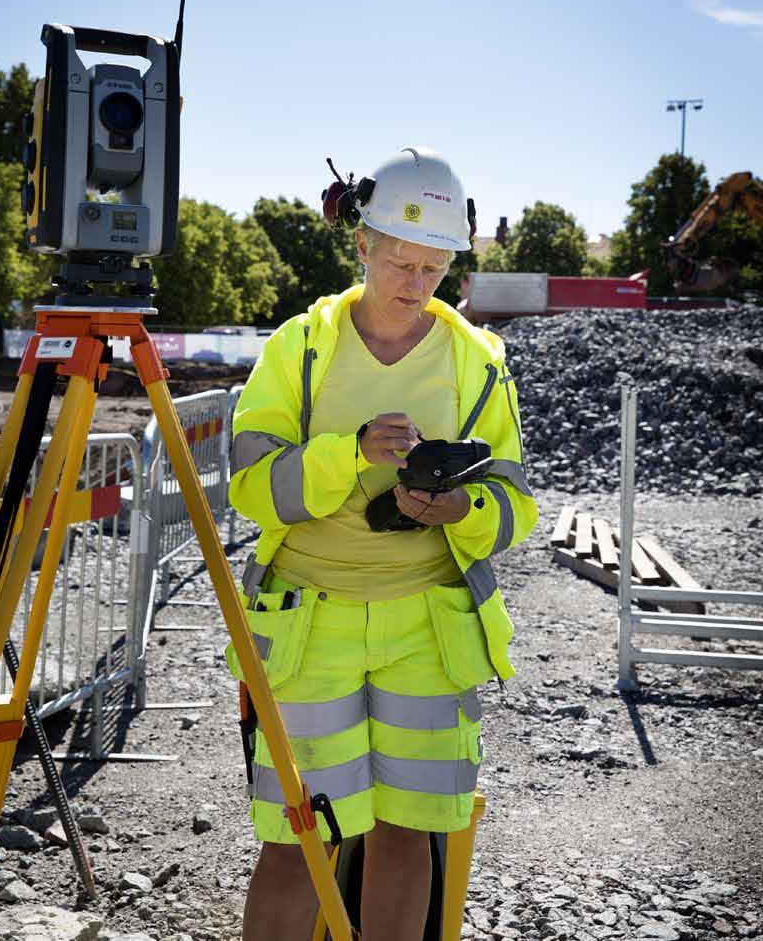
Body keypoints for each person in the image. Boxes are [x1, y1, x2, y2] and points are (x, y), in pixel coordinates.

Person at [226, 147, 538, 941]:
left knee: (409, 831)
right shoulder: (297, 350)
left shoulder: (478, 363)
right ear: (361, 243)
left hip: (427, 630)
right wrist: (349, 453)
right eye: (400, 260)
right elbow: (250, 487)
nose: (414, 281)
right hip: (311, 625)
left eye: (433, 267)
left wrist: (459, 507)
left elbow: (513, 506)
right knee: (301, 839)